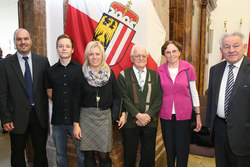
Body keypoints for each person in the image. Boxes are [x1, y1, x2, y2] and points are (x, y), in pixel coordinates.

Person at [0, 28, 49, 167]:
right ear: (15, 42)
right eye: (19, 39)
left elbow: (49, 88)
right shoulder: (4, 64)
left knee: (40, 151)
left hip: (39, 116)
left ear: (31, 41)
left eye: (25, 39)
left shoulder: (43, 61)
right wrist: (5, 118)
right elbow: (2, 93)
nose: (23, 42)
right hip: (15, 118)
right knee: (17, 152)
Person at [73, 41, 123, 167]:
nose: (94, 57)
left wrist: (118, 115)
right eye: (91, 54)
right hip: (86, 118)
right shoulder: (80, 74)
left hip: (104, 119)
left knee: (104, 155)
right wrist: (76, 124)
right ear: (87, 56)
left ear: (102, 56)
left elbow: (117, 96)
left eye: (97, 54)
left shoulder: (109, 74)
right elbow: (75, 100)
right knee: (88, 154)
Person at [206, 32, 250, 167]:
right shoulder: (215, 70)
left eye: (236, 46)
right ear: (221, 50)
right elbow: (211, 100)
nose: (231, 50)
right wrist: (210, 125)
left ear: (245, 46)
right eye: (227, 47)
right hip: (219, 129)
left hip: (244, 133)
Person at [157, 40, 202, 167]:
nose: (171, 54)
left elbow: (194, 93)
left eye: (174, 51)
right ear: (164, 54)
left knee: (182, 148)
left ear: (179, 52)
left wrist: (198, 115)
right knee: (169, 147)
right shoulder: (159, 71)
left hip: (184, 115)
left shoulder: (188, 68)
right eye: (168, 52)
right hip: (166, 115)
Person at [117, 44, 163, 167]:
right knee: (129, 154)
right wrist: (138, 115)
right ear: (132, 58)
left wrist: (147, 115)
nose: (141, 58)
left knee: (148, 155)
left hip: (150, 121)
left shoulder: (155, 75)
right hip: (130, 123)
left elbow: (159, 98)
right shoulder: (123, 75)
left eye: (143, 56)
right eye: (137, 55)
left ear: (147, 58)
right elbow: (124, 98)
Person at [46, 34, 84, 167]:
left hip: (77, 120)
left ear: (72, 49)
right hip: (58, 120)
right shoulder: (51, 71)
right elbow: (50, 93)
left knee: (81, 153)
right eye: (61, 46)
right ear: (57, 48)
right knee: (60, 154)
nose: (64, 49)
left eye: (67, 46)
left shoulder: (81, 69)